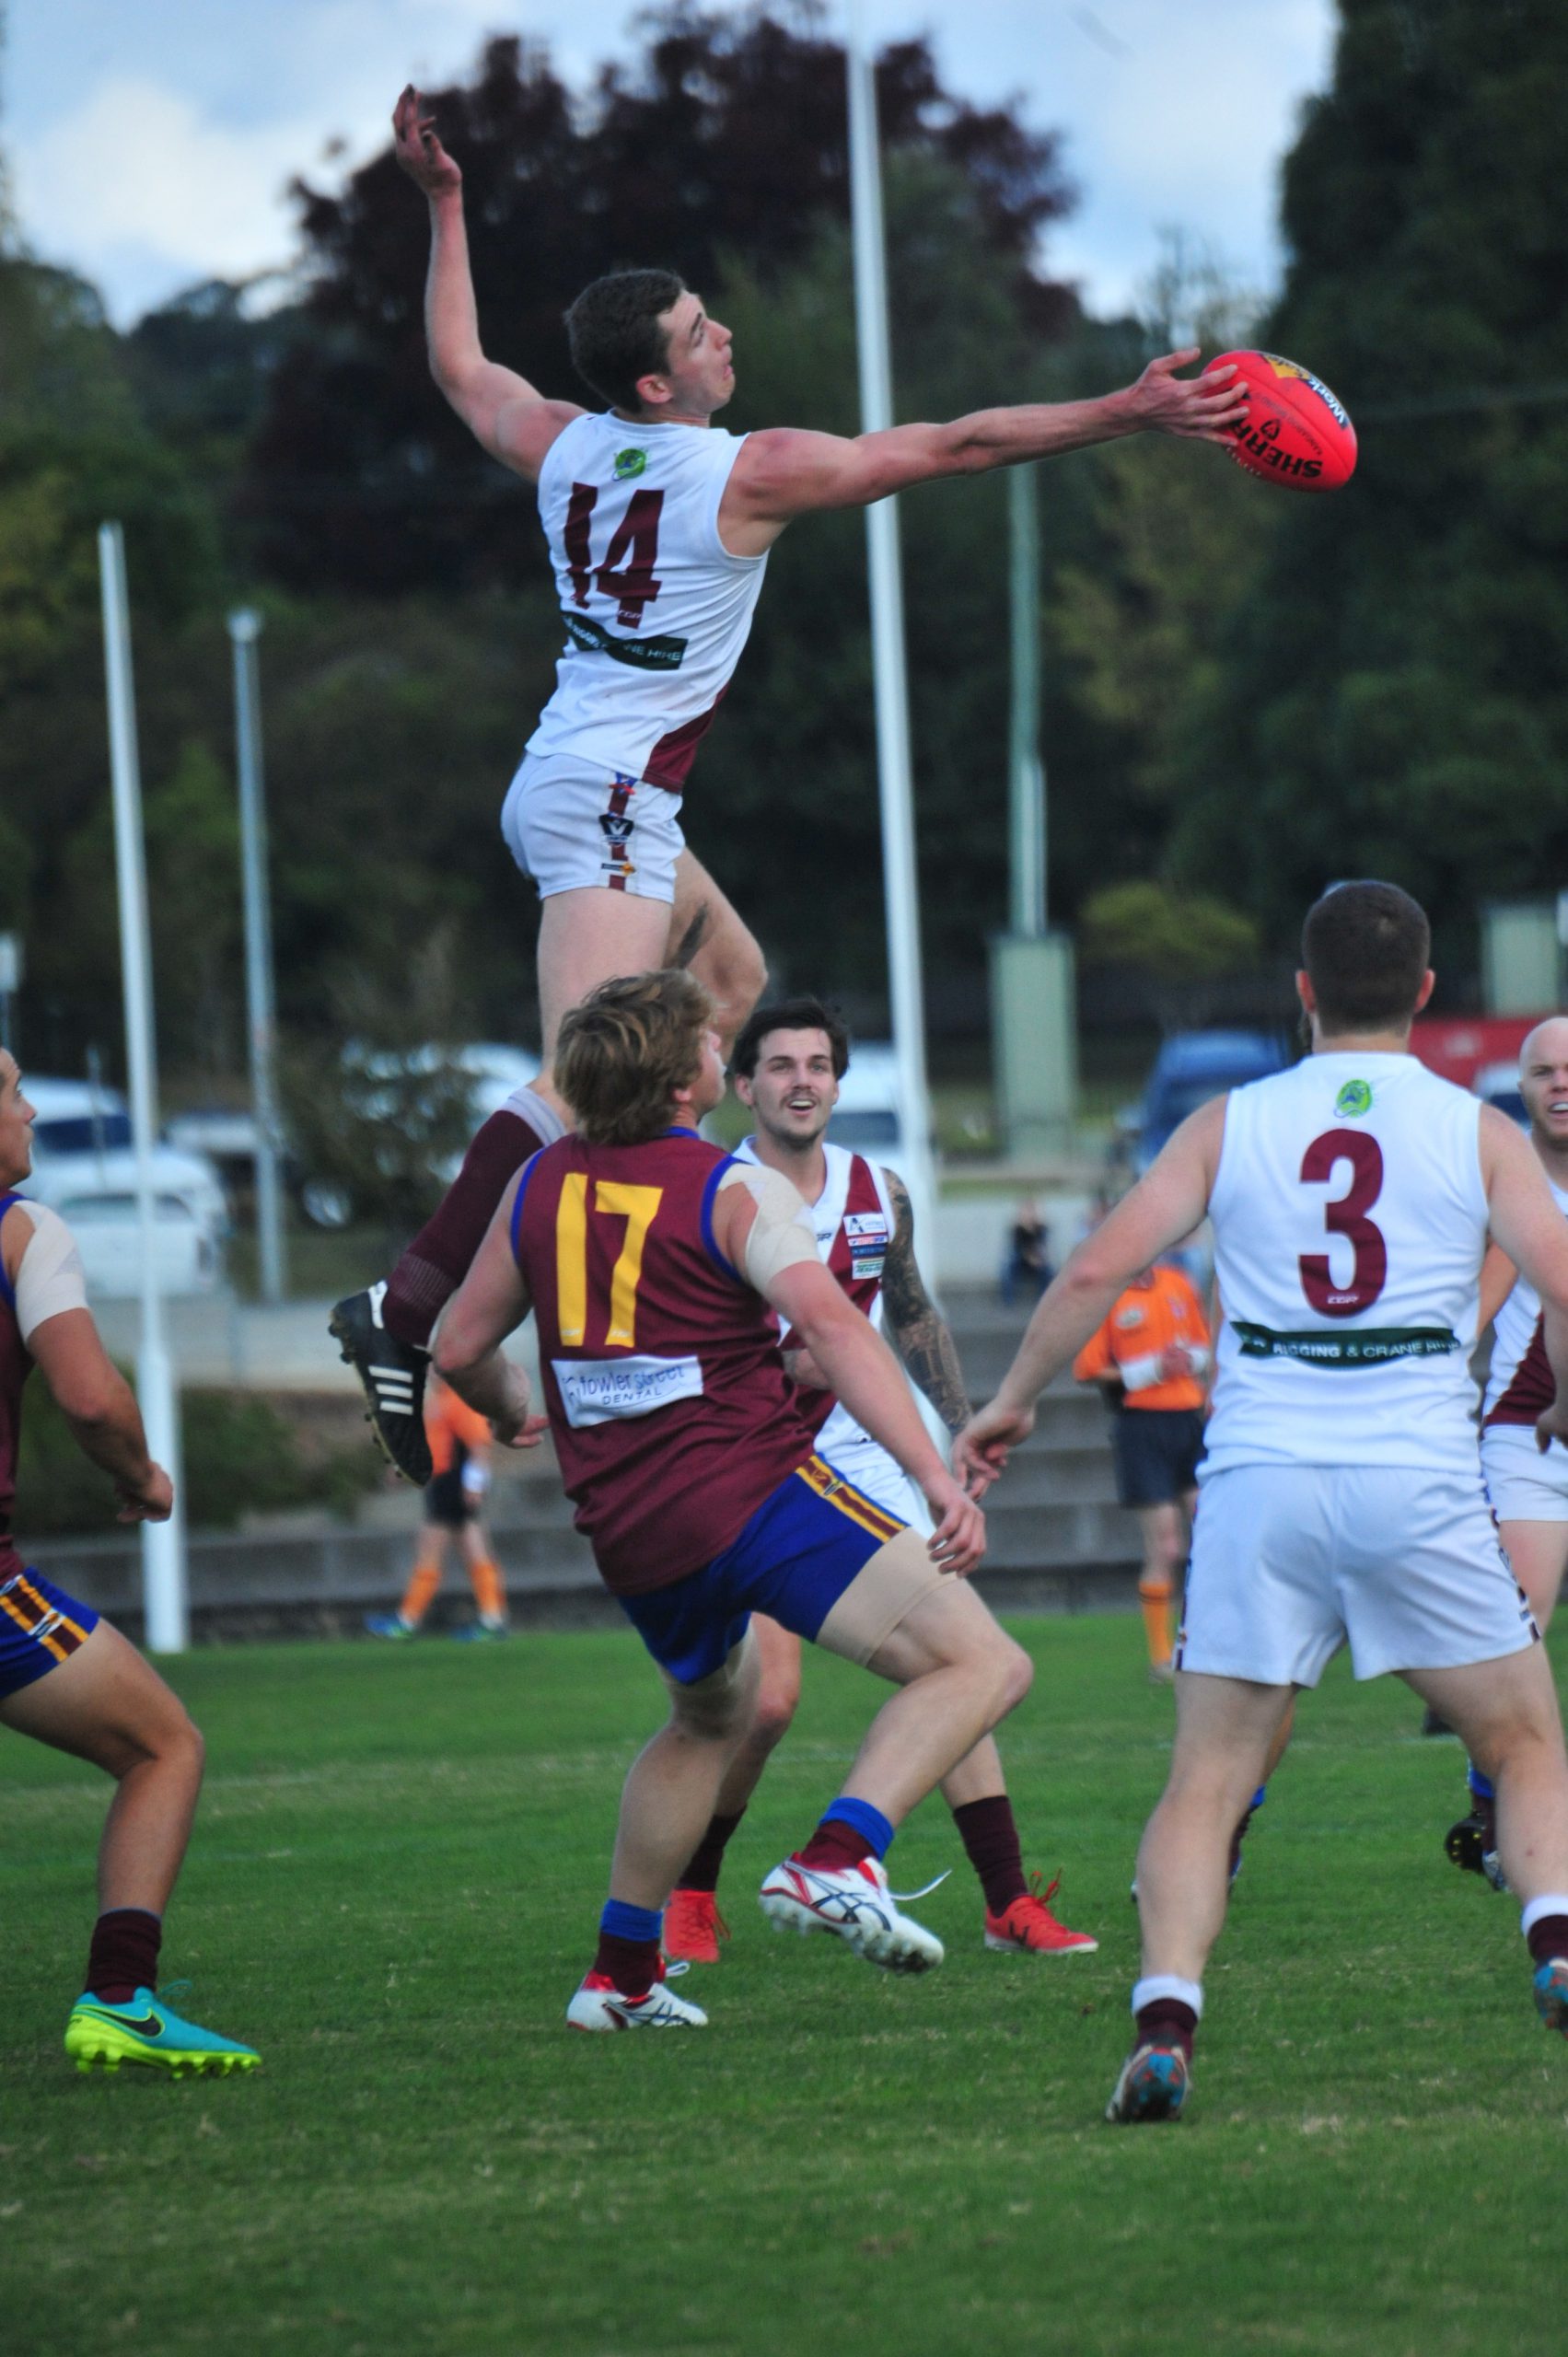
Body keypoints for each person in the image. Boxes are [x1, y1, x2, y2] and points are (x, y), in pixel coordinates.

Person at [329, 83, 1250, 1487]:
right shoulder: (741, 474)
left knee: (732, 980)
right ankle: (411, 1312)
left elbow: (461, 367)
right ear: (657, 385)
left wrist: (445, 205)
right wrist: (1124, 409)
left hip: (593, 786)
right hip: (606, 799)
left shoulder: (564, 444)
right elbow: (952, 445)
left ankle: (590, 1242)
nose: (724, 336)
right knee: (586, 1082)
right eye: (699, 332)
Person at [954, 882, 1568, 2124]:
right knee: (1519, 1745)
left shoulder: (1227, 1122)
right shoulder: (1476, 1130)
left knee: (1207, 1779)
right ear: (1423, 992)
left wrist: (1009, 1400)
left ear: (1301, 992)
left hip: (1258, 1477)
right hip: (1414, 1470)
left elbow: (1096, 1265)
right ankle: (1553, 1941)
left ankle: (1164, 2019)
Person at [432, 970, 1030, 2030]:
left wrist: (512, 1403)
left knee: (707, 1718)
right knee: (982, 1662)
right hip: (747, 1492)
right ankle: (836, 1856)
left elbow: (458, 1344)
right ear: (683, 1078)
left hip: (630, 1530)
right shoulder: (728, 1188)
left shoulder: (537, 1183)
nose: (725, 1051)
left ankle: (618, 1976)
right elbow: (837, 1329)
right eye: (712, 1042)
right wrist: (937, 1477)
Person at [662, 998, 1094, 1966]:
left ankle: (1005, 1901)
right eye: (780, 1066)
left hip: (862, 1458)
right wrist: (779, 1366)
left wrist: (958, 1424)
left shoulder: (876, 1189)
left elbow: (911, 1311)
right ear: (743, 1086)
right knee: (767, 1702)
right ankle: (693, 1889)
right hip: (758, 1463)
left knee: (961, 1664)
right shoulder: (712, 1190)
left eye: (818, 1065)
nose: (802, 1081)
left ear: (837, 1083)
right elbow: (686, 1342)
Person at [0, 1050, 258, 2079]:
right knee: (164, 1746)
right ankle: (120, 1999)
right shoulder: (23, 1230)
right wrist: (143, 1473)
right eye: (11, 1091)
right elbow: (91, 1397)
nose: (29, 1111)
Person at [1446, 1016, 1568, 1884]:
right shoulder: (1501, 1184)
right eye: (1542, 1071)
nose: (1561, 1085)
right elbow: (1465, 1322)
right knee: (1513, 1635)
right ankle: (1493, 1811)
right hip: (1531, 1436)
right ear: (1518, 1088)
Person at [1073, 1260, 1212, 1682]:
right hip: (1142, 1426)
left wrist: (1188, 1359)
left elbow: (1205, 1345)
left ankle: (1207, 1643)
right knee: (1166, 1545)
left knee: (1211, 1533)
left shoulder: (1177, 1283)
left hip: (1188, 1418)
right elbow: (1087, 1368)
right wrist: (1149, 1369)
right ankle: (1160, 1656)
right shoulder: (1109, 1295)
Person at [366, 1370, 509, 1641]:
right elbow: (434, 1445)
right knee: (474, 1549)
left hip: (452, 1485)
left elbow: (479, 1444)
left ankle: (407, 1620)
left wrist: (474, 1484)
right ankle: (492, 1619)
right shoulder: (439, 1401)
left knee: (430, 1549)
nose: (431, 1372)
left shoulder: (459, 1401)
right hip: (444, 1484)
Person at [1002, 1201, 1052, 1306]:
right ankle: (1008, 1300)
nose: (1029, 1214)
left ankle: (1044, 1298)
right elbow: (1017, 1248)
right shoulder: (1017, 1230)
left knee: (1047, 1270)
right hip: (1021, 1261)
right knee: (1008, 1269)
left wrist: (1037, 1259)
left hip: (1037, 1260)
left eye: (1031, 1211)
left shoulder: (1040, 1229)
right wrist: (1029, 1257)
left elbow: (1043, 1246)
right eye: (1026, 1211)